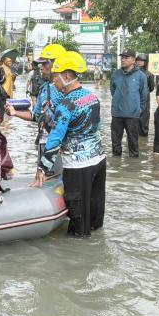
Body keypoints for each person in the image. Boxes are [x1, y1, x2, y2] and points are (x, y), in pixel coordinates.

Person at [34, 51, 105, 238]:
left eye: (56, 78)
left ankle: (78, 248)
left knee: (78, 220)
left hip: (78, 166)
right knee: (94, 213)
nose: (54, 82)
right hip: (99, 160)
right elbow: (98, 127)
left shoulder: (66, 105)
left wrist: (42, 168)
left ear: (66, 76)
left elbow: (55, 138)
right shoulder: (92, 97)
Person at [6, 44, 67, 176]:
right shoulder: (44, 88)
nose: (42, 67)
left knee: (60, 182)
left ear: (57, 63)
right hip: (44, 142)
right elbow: (36, 115)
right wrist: (15, 112)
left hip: (61, 146)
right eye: (41, 64)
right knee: (45, 180)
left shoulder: (69, 91)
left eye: (45, 63)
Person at [110, 49, 148, 157]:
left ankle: (133, 166)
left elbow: (144, 95)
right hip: (117, 114)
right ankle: (116, 164)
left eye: (126, 57)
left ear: (133, 60)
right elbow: (113, 91)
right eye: (122, 57)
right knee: (115, 143)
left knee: (133, 143)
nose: (123, 59)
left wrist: (138, 109)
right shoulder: (115, 74)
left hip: (133, 115)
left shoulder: (141, 76)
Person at [136, 55, 156, 137]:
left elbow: (151, 88)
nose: (139, 62)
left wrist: (144, 92)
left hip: (145, 99)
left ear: (145, 62)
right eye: (138, 60)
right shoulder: (132, 73)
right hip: (133, 98)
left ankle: (143, 137)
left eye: (141, 60)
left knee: (144, 118)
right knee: (132, 119)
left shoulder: (149, 75)